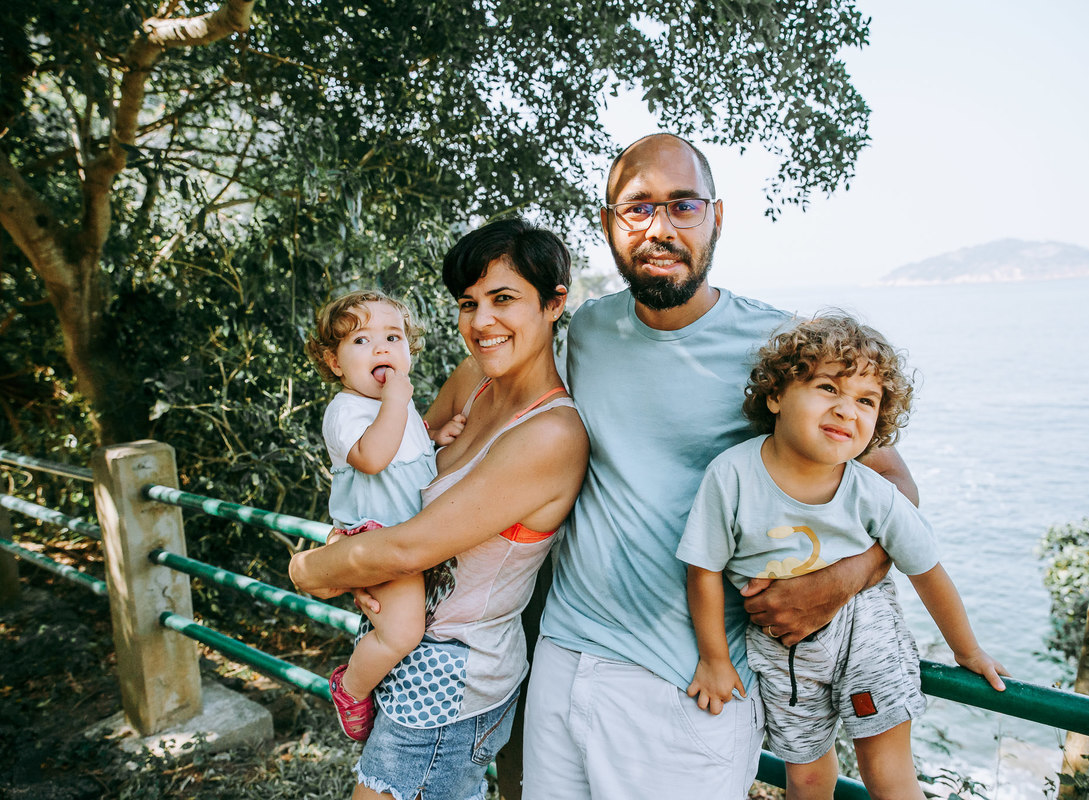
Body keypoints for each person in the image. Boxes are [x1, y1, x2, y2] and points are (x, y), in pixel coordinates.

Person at [523, 132, 919, 800]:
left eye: (683, 206)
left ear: (717, 217)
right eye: (637, 208)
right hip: (564, 658)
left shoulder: (781, 349)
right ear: (609, 225)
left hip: (691, 686)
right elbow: (500, 380)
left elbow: (894, 486)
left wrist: (843, 579)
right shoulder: (585, 331)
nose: (660, 228)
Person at [290, 217, 589, 800]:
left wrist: (311, 571)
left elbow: (407, 546)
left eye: (504, 299)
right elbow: (401, 470)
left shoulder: (552, 433)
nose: (481, 323)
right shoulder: (475, 378)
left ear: (554, 304)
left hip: (451, 675)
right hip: (399, 645)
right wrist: (352, 545)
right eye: (468, 302)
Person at [677, 314, 1008, 800]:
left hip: (867, 630)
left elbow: (928, 572)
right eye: (828, 388)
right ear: (775, 396)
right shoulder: (731, 476)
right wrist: (714, 659)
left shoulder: (872, 492)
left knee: (887, 769)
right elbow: (702, 569)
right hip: (780, 646)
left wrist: (967, 651)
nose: (846, 410)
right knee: (807, 779)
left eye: (866, 400)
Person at [305, 290, 466, 742]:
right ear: (334, 363)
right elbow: (374, 458)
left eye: (392, 337)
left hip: (409, 536)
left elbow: (407, 455)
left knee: (406, 624)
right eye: (360, 341)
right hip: (377, 537)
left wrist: (435, 436)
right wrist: (400, 400)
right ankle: (351, 687)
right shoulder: (345, 409)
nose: (380, 348)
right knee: (402, 633)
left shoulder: (395, 408)